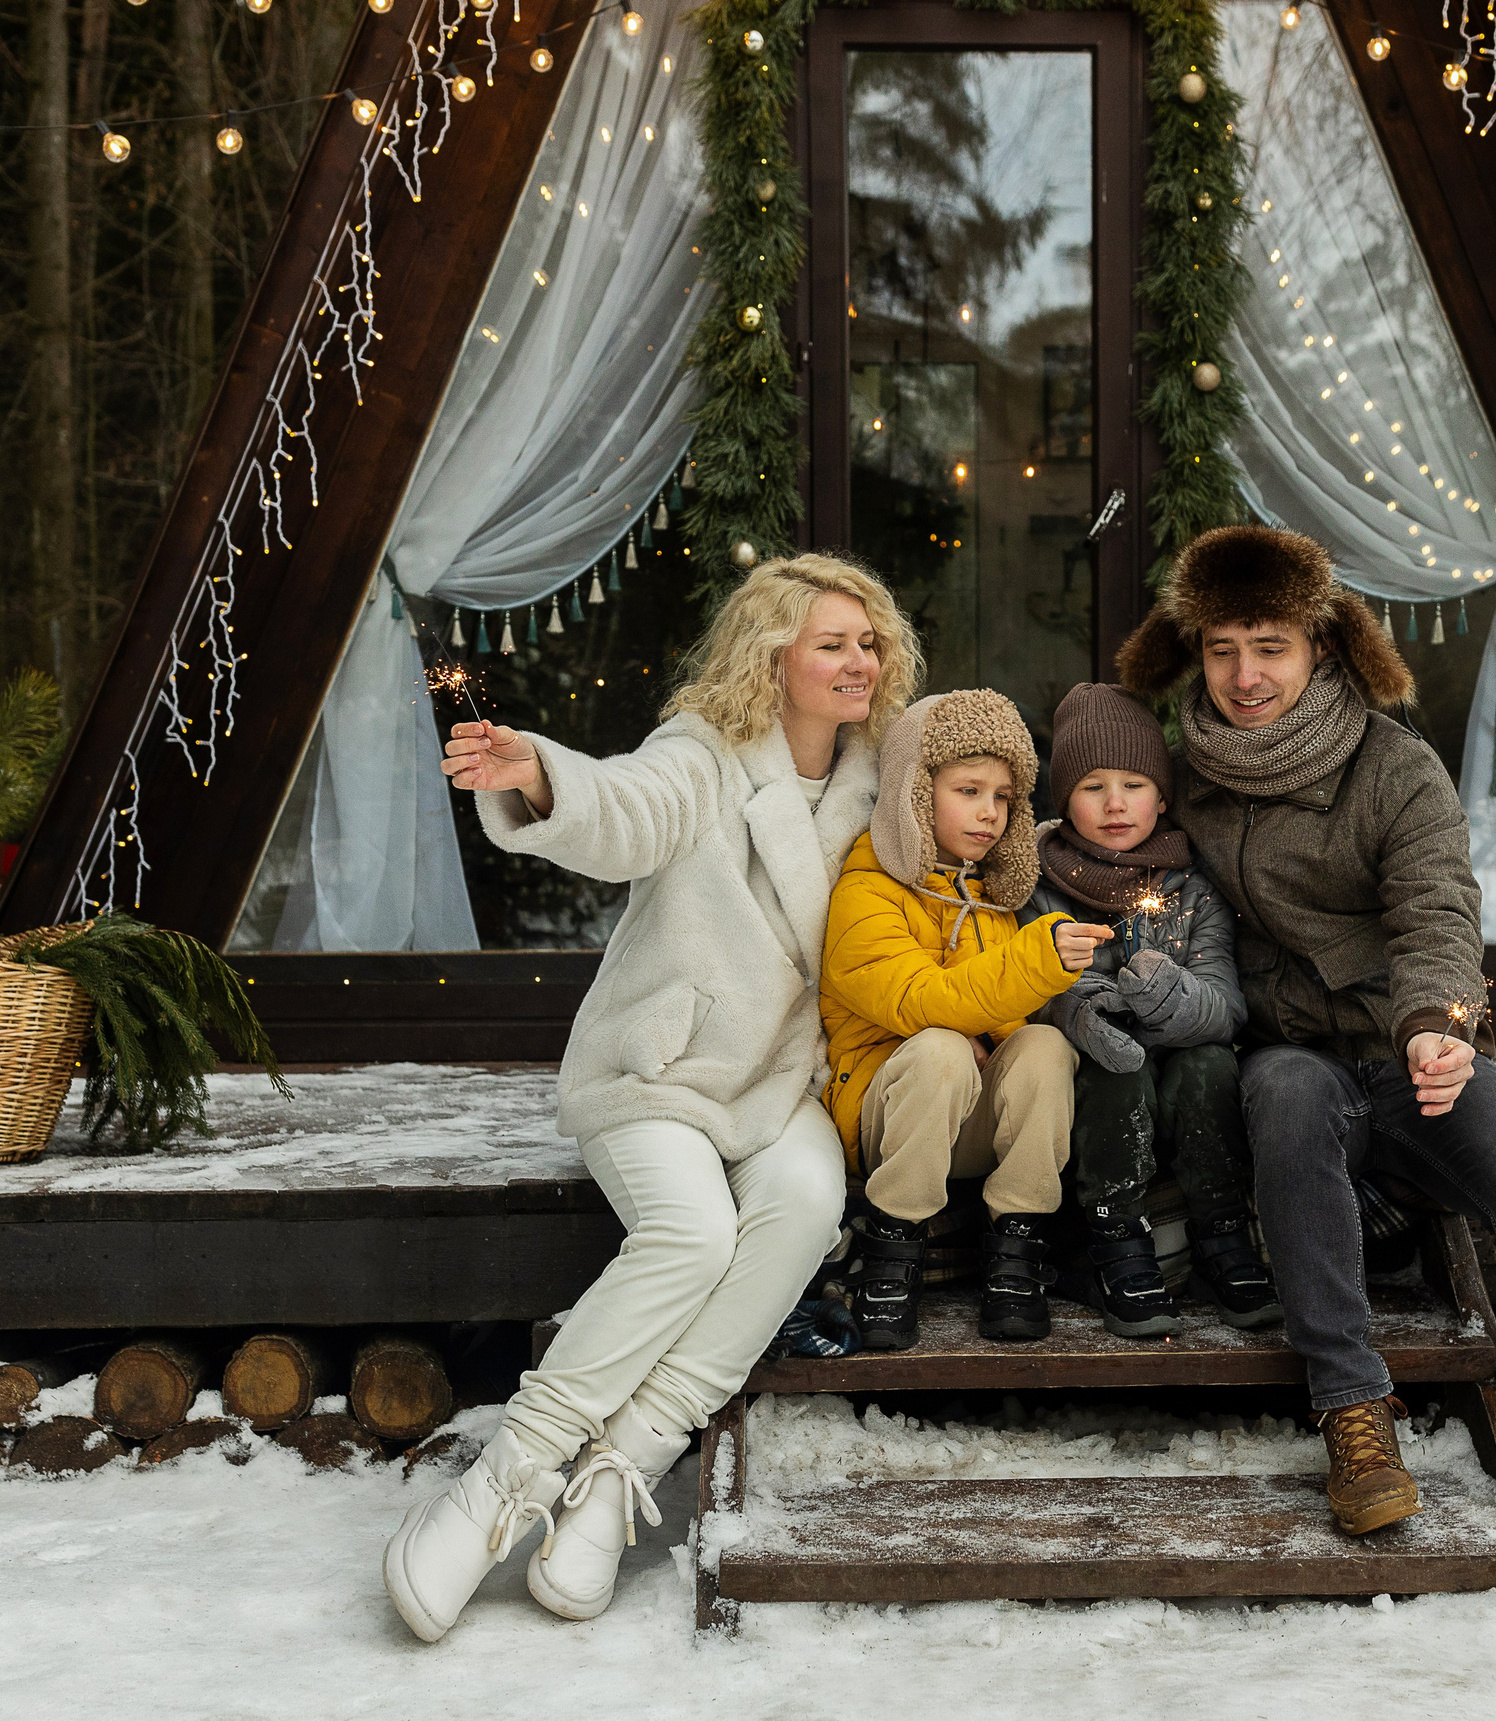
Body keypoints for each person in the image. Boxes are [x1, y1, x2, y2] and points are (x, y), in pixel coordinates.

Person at [384, 554, 921, 1640]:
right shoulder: (705, 753)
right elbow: (623, 808)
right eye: (832, 642)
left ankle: (622, 1466)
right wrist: (537, 769)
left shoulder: (881, 775)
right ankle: (504, 1481)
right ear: (772, 657)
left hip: (780, 1080)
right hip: (659, 1068)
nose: (859, 660)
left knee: (806, 1209)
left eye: (868, 642)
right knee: (689, 1231)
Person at [1116, 524, 1496, 1588]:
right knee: (1280, 1099)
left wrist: (1437, 1025)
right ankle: (1353, 1411)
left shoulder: (1392, 765)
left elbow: (1439, 912)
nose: (1244, 675)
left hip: (1411, 1047)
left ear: (1318, 642)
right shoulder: (1185, 774)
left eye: (1267, 645)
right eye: (1220, 648)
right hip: (1288, 1053)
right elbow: (1103, 839)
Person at [817, 687, 1106, 1351]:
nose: (990, 813)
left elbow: (1002, 1016)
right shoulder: (866, 891)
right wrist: (1036, 958)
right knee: (941, 1046)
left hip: (968, 1118)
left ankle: (1017, 1250)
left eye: (1004, 797)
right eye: (969, 790)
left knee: (1041, 1046)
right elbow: (919, 998)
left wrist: (997, 1031)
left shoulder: (995, 902)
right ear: (917, 793)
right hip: (887, 1115)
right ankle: (892, 1253)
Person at [1024, 683, 1276, 1339]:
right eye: (1092, 786)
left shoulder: (1193, 885)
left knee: (1210, 1060)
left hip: (1185, 1093)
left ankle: (1223, 1231)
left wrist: (1172, 996)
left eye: (1133, 783)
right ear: (1063, 799)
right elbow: (1024, 993)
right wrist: (1080, 1012)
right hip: (1098, 1104)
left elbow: (1225, 1007)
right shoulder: (1038, 888)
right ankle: (1116, 1239)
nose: (1115, 803)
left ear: (1161, 798)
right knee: (1116, 1066)